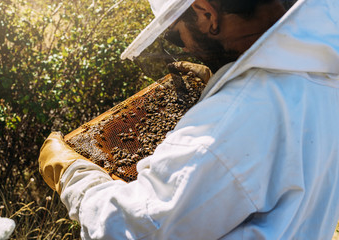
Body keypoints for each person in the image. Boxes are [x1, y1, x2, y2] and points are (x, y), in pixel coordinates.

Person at [38, 0, 339, 239]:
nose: (183, 47)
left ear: (206, 12)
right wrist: (224, 82)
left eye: (173, 33)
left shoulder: (227, 124)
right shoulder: (321, 65)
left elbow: (130, 229)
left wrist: (73, 175)